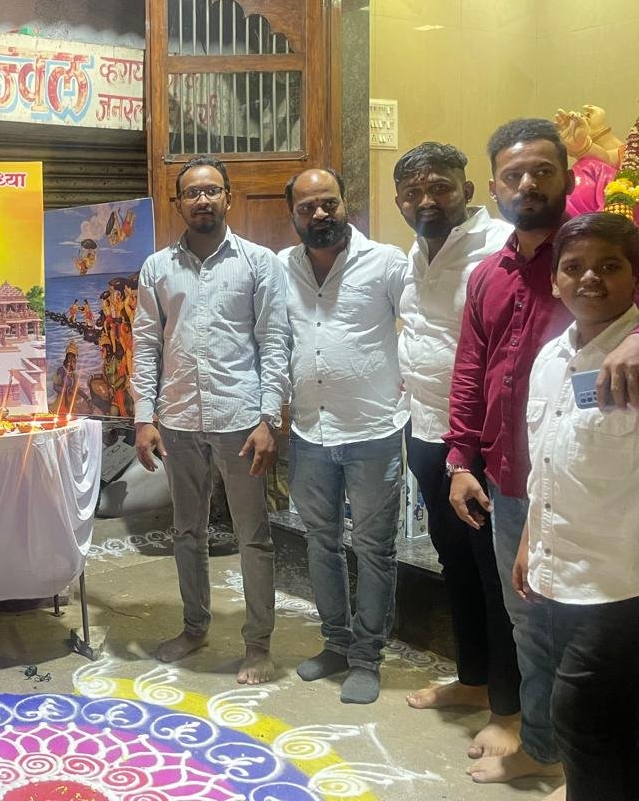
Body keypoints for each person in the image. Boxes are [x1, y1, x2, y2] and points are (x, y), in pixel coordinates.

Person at [444, 117, 639, 787]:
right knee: (529, 625)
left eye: (542, 171)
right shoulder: (488, 275)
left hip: (603, 500)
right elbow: (470, 370)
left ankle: (581, 758)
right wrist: (460, 459)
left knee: (594, 657)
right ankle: (543, 747)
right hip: (515, 485)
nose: (528, 184)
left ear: (568, 177)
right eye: (514, 174)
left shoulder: (598, 253)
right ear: (494, 185)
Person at [132, 156, 288, 684]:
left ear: (228, 197)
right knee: (186, 531)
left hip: (240, 419)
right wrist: (144, 417)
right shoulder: (157, 268)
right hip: (177, 418)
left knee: (253, 536)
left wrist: (269, 418)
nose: (202, 199)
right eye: (192, 192)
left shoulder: (258, 263)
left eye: (212, 191)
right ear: (178, 202)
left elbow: (275, 342)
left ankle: (258, 644)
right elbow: (146, 344)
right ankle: (194, 627)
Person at [393, 142, 522, 757]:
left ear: (467, 190)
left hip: (481, 445)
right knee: (456, 563)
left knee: (496, 576)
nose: (427, 200)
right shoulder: (415, 252)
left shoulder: (499, 246)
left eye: (440, 187)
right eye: (413, 192)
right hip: (426, 432)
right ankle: (473, 680)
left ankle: (510, 709)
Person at [512, 213, 639, 801]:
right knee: (611, 722)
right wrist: (528, 539)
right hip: (559, 572)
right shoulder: (550, 359)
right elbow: (545, 462)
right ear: (555, 280)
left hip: (620, 583)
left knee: (579, 720)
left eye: (609, 266)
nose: (590, 278)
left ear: (634, 277)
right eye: (574, 267)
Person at [280, 167, 409, 705]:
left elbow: (422, 326)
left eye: (328, 203)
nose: (319, 214)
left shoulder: (386, 262)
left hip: (374, 430)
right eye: (307, 207)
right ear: (293, 214)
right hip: (309, 431)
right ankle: (335, 642)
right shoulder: (281, 268)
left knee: (375, 548)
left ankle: (366, 657)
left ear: (344, 202)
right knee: (321, 541)